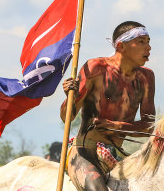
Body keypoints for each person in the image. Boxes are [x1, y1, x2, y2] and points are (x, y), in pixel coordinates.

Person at [60, 21, 155, 190]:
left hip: (118, 156)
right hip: (85, 152)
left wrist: (115, 126)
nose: (148, 47)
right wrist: (70, 96)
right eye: (141, 42)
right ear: (121, 46)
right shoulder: (95, 68)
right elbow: (66, 116)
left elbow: (149, 126)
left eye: (148, 41)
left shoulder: (146, 77)